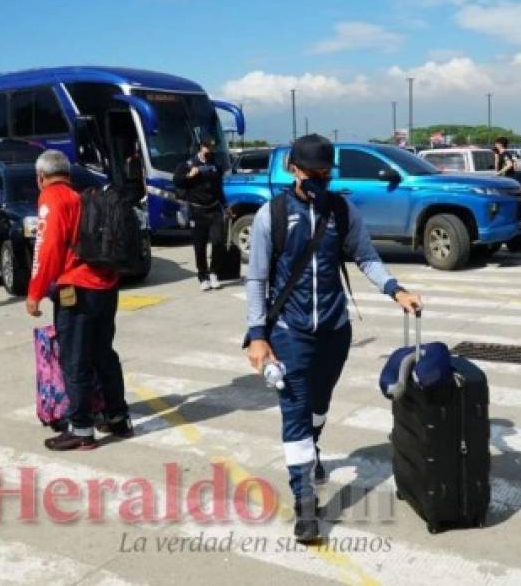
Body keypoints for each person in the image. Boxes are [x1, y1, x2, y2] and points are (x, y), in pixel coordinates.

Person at [244, 134, 422, 544]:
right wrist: (258, 336)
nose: (322, 181)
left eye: (327, 174)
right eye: (314, 174)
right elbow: (256, 279)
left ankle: (314, 447)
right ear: (294, 169)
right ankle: (305, 502)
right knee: (295, 410)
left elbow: (366, 256)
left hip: (335, 330)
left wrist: (395, 289)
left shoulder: (343, 211)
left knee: (318, 406)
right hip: (289, 333)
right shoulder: (271, 214)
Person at [26, 149, 133, 451]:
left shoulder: (52, 199)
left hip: (77, 289)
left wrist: (35, 292)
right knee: (103, 354)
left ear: (41, 177)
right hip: (106, 286)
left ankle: (81, 429)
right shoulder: (80, 197)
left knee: (74, 361)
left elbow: (46, 250)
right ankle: (118, 417)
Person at [173, 139, 230, 291]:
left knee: (218, 242)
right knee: (200, 246)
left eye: (212, 147)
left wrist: (226, 206)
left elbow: (218, 189)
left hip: (214, 209)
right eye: (207, 147)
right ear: (201, 147)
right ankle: (202, 277)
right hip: (197, 211)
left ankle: (214, 273)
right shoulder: (188, 164)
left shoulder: (216, 166)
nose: (209, 150)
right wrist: (189, 176)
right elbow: (177, 182)